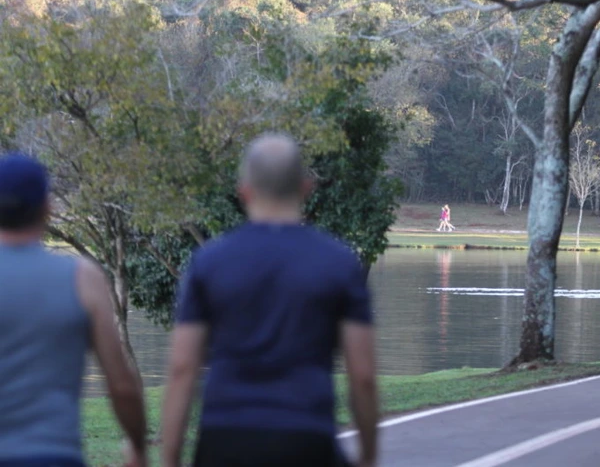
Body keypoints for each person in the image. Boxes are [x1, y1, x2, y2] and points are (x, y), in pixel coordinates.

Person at [161, 134, 378, 467]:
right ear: (305, 188)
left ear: (244, 190)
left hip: (225, 439)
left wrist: (171, 456)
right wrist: (368, 456)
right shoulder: (339, 263)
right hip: (307, 437)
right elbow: (361, 375)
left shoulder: (209, 262)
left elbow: (182, 368)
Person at [0, 154, 147, 467]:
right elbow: (120, 384)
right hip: (53, 455)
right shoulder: (83, 278)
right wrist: (138, 445)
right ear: (47, 208)